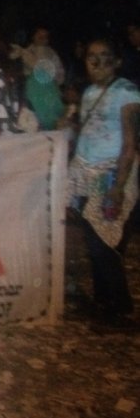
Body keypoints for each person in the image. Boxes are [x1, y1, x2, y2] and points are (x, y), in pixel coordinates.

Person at [67, 37, 140, 330]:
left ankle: (120, 308)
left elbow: (130, 143)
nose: (97, 63)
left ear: (117, 61)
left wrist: (118, 187)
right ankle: (104, 302)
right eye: (91, 57)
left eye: (104, 56)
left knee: (103, 240)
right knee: (92, 235)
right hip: (85, 171)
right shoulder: (88, 93)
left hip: (110, 173)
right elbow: (89, 131)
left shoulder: (127, 92)